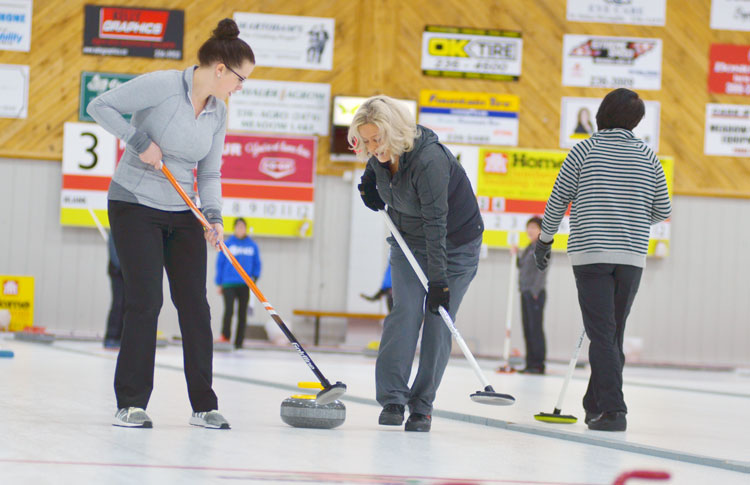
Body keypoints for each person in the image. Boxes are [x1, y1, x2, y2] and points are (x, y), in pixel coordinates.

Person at [87, 18, 255, 430]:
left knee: (195, 307)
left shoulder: (218, 112)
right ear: (220, 69)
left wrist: (213, 216)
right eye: (240, 78)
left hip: (183, 211)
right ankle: (130, 402)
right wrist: (138, 140)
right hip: (135, 203)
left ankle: (204, 405)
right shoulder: (163, 85)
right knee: (146, 302)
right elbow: (100, 106)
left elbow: (210, 172)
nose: (240, 87)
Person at [535, 88, 671, 432]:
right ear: (636, 121)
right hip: (631, 257)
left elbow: (557, 202)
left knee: (603, 334)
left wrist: (544, 241)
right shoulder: (648, 156)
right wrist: (630, 217)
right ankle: (594, 405)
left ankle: (614, 410)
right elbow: (662, 210)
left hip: (591, 255)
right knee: (611, 334)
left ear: (602, 113)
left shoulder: (583, 150)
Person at [350, 95, 484, 433]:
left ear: (394, 131)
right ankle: (393, 398)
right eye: (365, 141)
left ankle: (422, 406)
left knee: (438, 320)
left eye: (376, 139)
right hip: (409, 241)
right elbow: (375, 177)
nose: (371, 147)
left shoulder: (430, 161)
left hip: (454, 245)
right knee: (405, 311)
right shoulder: (378, 155)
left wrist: (439, 283)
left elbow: (437, 224)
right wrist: (368, 187)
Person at [216, 218, 261, 349]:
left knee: (242, 313)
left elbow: (257, 264)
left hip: (244, 284)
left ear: (245, 229)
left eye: (243, 227)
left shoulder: (252, 246)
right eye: (238, 227)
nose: (240, 229)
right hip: (229, 283)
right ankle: (225, 337)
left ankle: (239, 341)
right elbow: (220, 264)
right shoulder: (228, 244)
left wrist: (254, 278)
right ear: (235, 228)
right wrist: (219, 283)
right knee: (228, 310)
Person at [511, 216, 548, 375]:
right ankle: (529, 363)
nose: (530, 230)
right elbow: (521, 265)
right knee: (527, 328)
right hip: (525, 292)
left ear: (541, 230)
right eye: (529, 227)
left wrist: (534, 291)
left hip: (535, 294)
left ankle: (538, 364)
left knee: (535, 329)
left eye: (534, 227)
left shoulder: (542, 247)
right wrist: (516, 254)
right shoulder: (529, 247)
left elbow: (542, 270)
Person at [103, 232, 124, 350]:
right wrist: (122, 267)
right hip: (117, 272)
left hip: (127, 273)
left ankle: (121, 337)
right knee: (118, 303)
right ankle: (111, 336)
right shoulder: (116, 229)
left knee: (128, 305)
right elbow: (114, 255)